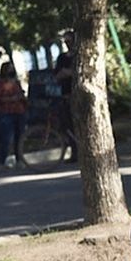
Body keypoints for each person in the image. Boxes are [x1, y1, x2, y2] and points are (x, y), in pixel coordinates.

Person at [0, 61, 28, 168]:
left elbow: (21, 94)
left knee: (20, 137)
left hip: (19, 111)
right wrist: (10, 99)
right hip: (6, 112)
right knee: (6, 138)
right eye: (8, 69)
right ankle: (2, 161)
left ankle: (19, 159)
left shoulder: (16, 82)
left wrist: (22, 98)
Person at [52, 29, 78, 162]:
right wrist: (64, 73)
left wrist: (70, 73)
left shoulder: (80, 56)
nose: (68, 44)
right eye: (66, 41)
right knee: (67, 125)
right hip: (66, 94)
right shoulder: (62, 58)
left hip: (78, 95)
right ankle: (74, 151)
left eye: (70, 41)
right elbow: (56, 76)